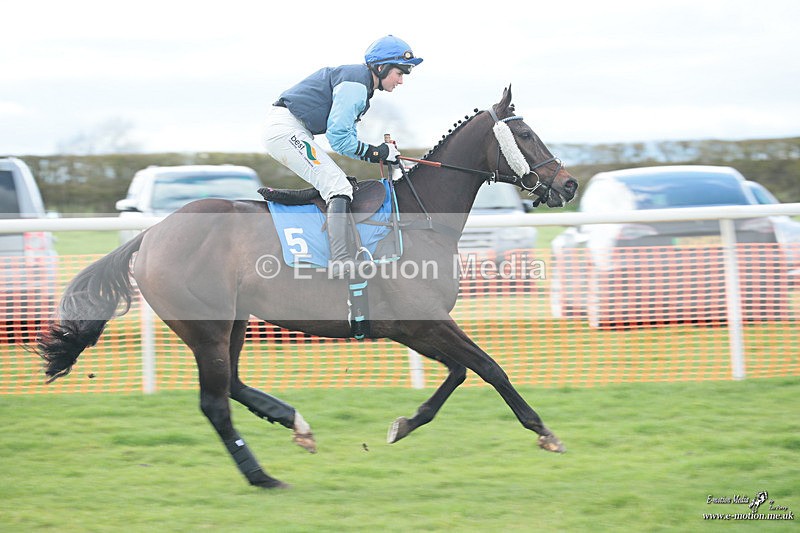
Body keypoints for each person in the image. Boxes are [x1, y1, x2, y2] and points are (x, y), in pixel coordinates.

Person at [264, 35, 422, 276]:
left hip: (291, 129)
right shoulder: (356, 84)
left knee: (339, 184)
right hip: (286, 130)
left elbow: (344, 139)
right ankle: (340, 260)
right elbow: (340, 139)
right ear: (381, 68)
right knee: (338, 187)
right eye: (400, 73)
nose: (401, 80)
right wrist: (379, 152)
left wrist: (378, 154)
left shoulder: (360, 84)